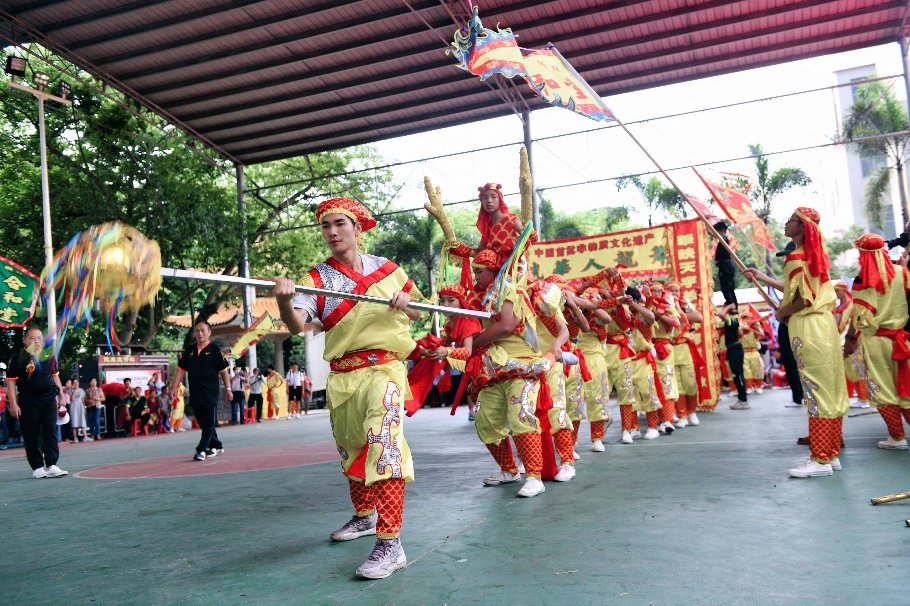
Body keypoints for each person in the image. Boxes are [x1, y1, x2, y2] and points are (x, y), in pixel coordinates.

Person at [274, 196, 421, 579]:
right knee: (352, 451)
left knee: (384, 448)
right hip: (343, 378)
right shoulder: (317, 279)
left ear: (357, 228)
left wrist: (406, 301)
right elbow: (297, 324)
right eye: (326, 226)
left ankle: (390, 543)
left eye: (339, 223)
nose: (332, 232)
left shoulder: (389, 270)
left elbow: (419, 311)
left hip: (385, 371)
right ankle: (365, 516)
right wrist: (284, 303)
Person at [745, 207, 849, 478]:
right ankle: (830, 454)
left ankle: (821, 459)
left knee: (815, 390)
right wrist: (762, 278)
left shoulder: (795, 257)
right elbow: (798, 289)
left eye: (791, 220)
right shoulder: (813, 256)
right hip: (824, 324)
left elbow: (803, 299)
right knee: (830, 387)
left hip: (808, 325)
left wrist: (782, 313)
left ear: (801, 227)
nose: (786, 223)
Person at [845, 234, 910, 450]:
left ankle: (897, 437)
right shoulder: (902, 273)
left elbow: (861, 318)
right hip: (903, 339)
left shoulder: (862, 281)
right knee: (906, 386)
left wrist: (850, 339)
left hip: (876, 341)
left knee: (882, 388)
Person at [5, 325, 68, 478]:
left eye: (39, 338)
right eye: (32, 338)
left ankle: (52, 465)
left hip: (49, 398)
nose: (36, 341)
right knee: (31, 433)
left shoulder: (49, 355)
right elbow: (11, 382)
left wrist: (62, 396)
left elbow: (55, 376)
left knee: (50, 431)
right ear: (25, 340)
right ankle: (38, 467)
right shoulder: (18, 356)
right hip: (28, 400)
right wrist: (13, 404)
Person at [167, 321, 231, 460]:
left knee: (208, 421)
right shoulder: (190, 350)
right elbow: (181, 370)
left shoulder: (214, 349)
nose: (199, 333)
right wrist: (174, 387)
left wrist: (228, 389)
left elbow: (223, 371)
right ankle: (217, 445)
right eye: (197, 331)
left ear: (209, 332)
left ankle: (201, 450)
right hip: (195, 392)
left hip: (210, 392)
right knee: (203, 422)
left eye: (203, 330)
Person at [718, 304, 748, 408]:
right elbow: (740, 333)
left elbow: (721, 315)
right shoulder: (736, 322)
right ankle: (742, 399)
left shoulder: (731, 320)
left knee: (738, 375)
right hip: (734, 349)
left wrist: (727, 307)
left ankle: (743, 400)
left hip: (735, 349)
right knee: (736, 375)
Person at [713, 220, 738, 307]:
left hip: (725, 266)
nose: (715, 233)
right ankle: (733, 306)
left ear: (722, 231)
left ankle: (731, 305)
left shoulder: (724, 239)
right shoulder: (723, 240)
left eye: (716, 231)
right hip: (727, 266)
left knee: (726, 288)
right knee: (730, 288)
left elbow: (714, 234)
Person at [69, 378, 89, 442]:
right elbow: (72, 399)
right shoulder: (70, 390)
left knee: (82, 421)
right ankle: (75, 437)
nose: (76, 384)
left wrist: (84, 408)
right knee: (74, 421)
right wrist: (74, 390)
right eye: (74, 383)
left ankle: (85, 437)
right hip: (74, 406)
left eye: (77, 382)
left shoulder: (81, 390)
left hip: (80, 406)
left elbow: (82, 400)